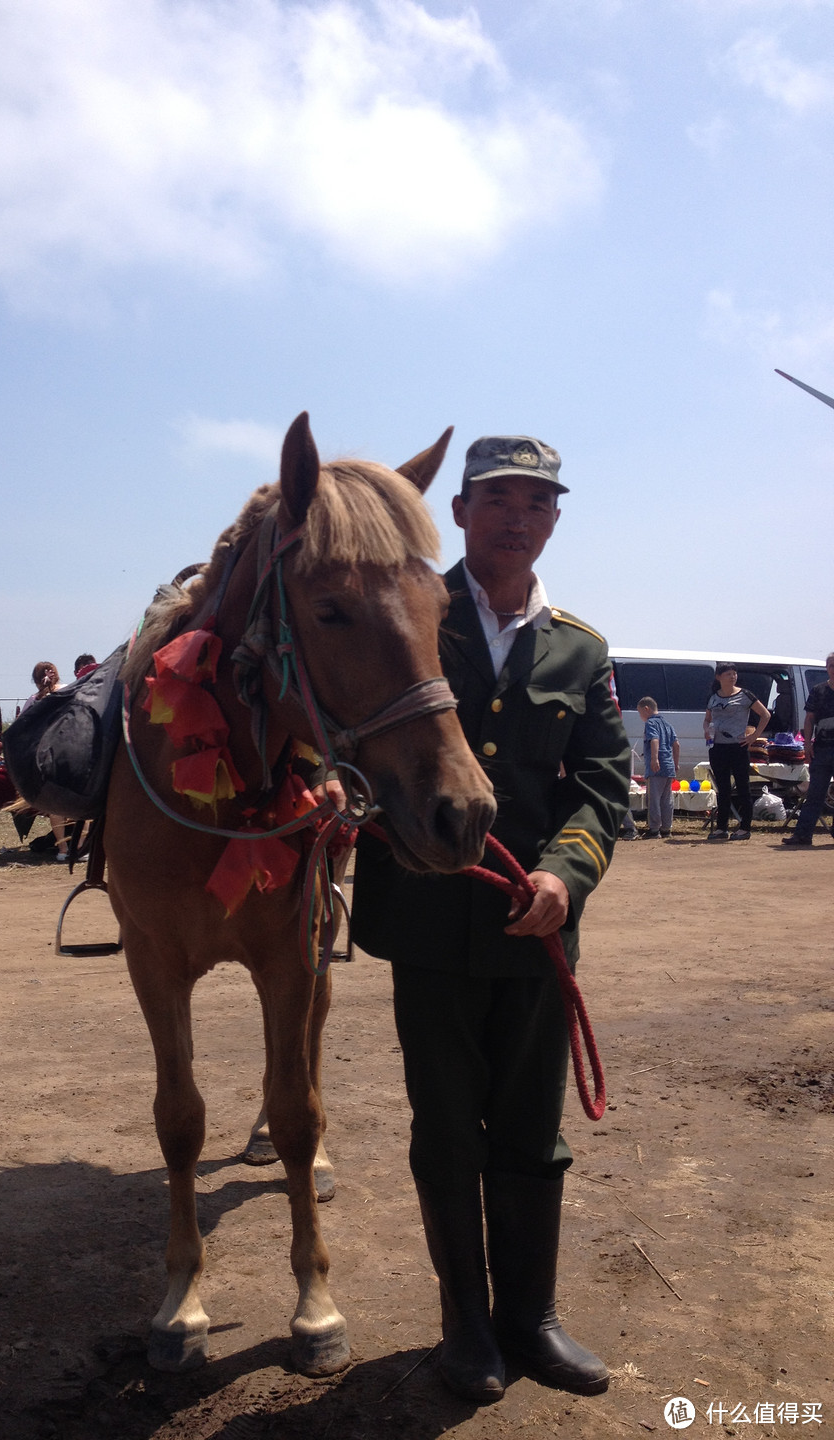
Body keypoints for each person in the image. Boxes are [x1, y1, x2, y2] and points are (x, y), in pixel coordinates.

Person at [352, 436, 630, 1402]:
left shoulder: (581, 647)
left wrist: (565, 877)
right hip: (429, 920)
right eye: (499, 499)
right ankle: (466, 1329)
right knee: (447, 1131)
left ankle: (533, 1320)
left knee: (531, 1131)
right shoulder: (407, 610)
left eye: (538, 503)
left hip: (538, 927)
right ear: (460, 514)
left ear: (555, 520)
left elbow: (601, 785)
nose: (519, 517)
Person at [703, 663, 770, 841]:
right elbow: (707, 719)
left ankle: (745, 828)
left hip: (738, 746)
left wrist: (754, 736)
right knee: (723, 788)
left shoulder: (745, 695)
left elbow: (765, 715)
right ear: (719, 677)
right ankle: (721, 828)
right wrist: (706, 730)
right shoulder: (713, 698)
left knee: (742, 787)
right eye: (728, 674)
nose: (732, 677)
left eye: (734, 674)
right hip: (718, 747)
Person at [782, 650, 834, 846]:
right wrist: (807, 743)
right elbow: (809, 719)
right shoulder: (818, 691)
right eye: (831, 666)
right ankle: (803, 835)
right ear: (827, 669)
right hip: (821, 750)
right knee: (815, 794)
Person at [19, 661, 69, 859]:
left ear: (35, 680)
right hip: (71, 754)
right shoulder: (70, 691)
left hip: (46, 759)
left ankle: (63, 850)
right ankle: (81, 848)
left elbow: (21, 730)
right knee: (79, 801)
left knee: (55, 806)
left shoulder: (33, 700)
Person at [637, 697, 679, 838]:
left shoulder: (651, 723)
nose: (640, 716)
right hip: (669, 766)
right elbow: (676, 744)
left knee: (653, 799)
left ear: (646, 709)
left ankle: (654, 829)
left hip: (657, 767)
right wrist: (676, 763)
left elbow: (654, 739)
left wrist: (654, 759)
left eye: (640, 712)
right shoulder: (667, 724)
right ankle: (666, 828)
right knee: (666, 799)